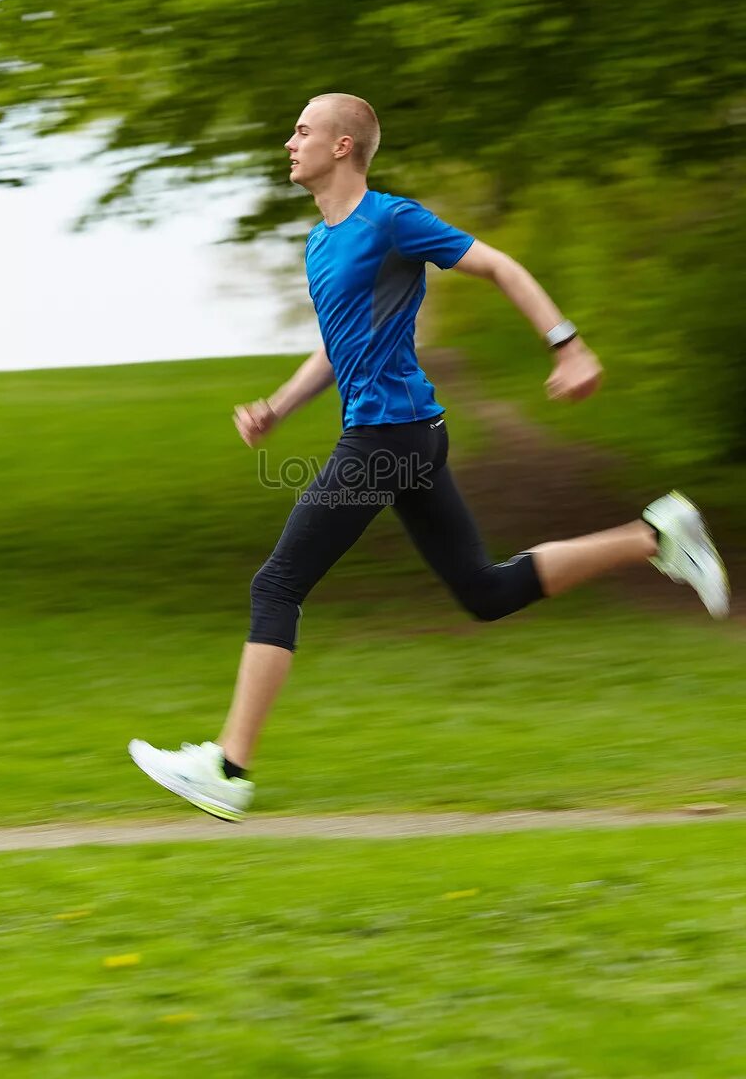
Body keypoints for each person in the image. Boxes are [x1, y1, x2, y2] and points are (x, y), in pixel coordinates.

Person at [129, 93, 729, 822]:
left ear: (344, 145)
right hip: (407, 433)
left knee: (276, 584)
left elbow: (501, 267)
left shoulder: (392, 221)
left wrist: (567, 344)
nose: (290, 143)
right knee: (484, 592)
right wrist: (279, 407)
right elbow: (336, 347)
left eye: (303, 130)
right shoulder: (320, 243)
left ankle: (227, 769)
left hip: (389, 439)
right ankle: (655, 534)